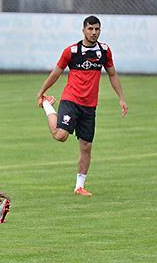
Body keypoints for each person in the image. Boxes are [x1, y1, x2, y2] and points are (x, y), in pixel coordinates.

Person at [35, 15, 128, 196]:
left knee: (86, 146)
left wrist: (121, 98)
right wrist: (42, 92)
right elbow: (56, 73)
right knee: (60, 135)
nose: (94, 32)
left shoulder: (104, 51)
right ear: (83, 30)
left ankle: (79, 186)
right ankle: (47, 105)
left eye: (97, 29)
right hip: (71, 100)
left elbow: (112, 74)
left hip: (90, 106)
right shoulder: (71, 51)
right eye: (90, 29)